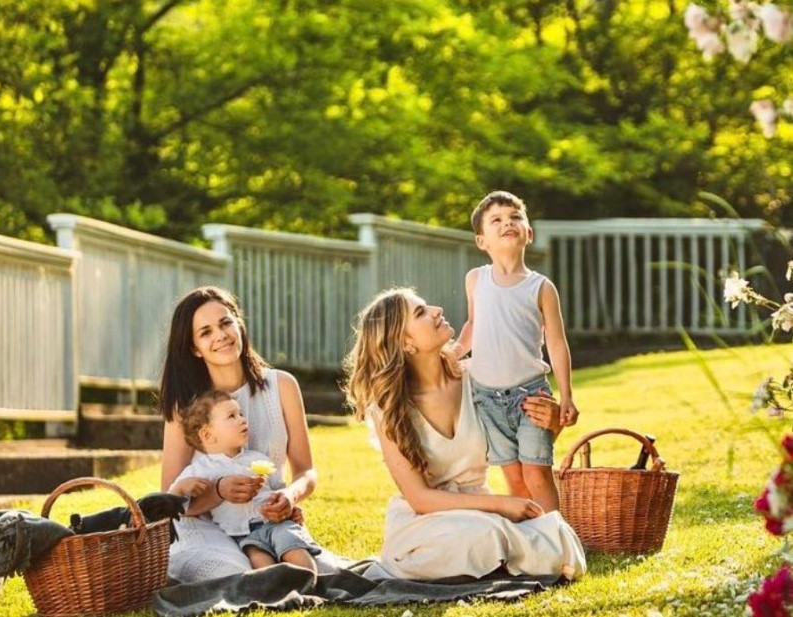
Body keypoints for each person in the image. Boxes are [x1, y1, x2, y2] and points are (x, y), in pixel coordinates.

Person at [343, 287, 586, 581]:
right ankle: (508, 557)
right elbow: (419, 498)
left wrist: (551, 424)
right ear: (405, 343)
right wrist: (501, 505)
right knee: (485, 535)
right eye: (420, 312)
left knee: (553, 534)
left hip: (481, 515)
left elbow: (522, 450)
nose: (437, 310)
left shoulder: (481, 379)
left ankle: (501, 558)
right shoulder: (389, 408)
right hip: (427, 524)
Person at [159, 285, 340, 582]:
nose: (220, 335)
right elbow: (169, 500)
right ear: (194, 348)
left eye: (226, 322)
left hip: (267, 518)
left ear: (239, 324)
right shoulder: (185, 406)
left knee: (324, 572)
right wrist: (218, 492)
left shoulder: (283, 386)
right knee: (235, 573)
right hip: (206, 526)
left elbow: (306, 470)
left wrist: (289, 496)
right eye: (205, 332)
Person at [453, 190, 579, 512]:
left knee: (537, 473)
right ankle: (529, 542)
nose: (507, 223)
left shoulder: (541, 287)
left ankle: (556, 541)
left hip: (530, 396)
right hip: (487, 398)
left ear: (528, 233)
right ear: (482, 241)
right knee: (515, 478)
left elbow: (556, 343)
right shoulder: (475, 280)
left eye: (515, 218)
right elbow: (472, 325)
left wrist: (566, 395)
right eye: (496, 220)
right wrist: (455, 352)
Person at [170, 390, 321, 574]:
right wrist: (180, 487)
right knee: (260, 563)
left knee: (295, 551)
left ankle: (309, 582)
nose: (242, 419)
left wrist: (289, 506)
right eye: (232, 416)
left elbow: (277, 491)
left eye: (240, 414)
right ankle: (279, 591)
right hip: (243, 535)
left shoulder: (258, 459)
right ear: (208, 435)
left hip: (276, 523)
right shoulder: (201, 470)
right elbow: (170, 504)